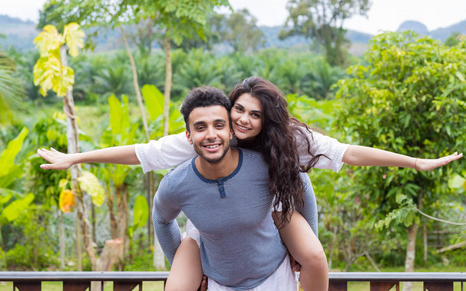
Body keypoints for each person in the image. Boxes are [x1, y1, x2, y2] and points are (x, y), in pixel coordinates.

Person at [38, 77, 463, 291]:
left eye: (252, 115)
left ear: (266, 120)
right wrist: (76, 157)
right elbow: (138, 153)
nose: (242, 121)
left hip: (271, 210)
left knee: (313, 256)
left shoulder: (285, 143)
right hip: (208, 220)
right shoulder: (203, 139)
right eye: (237, 109)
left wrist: (413, 162)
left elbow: (344, 156)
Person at [153, 86, 303, 290]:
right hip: (219, 282)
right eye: (200, 128)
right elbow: (161, 219)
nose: (211, 135)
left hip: (275, 276)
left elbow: (302, 187)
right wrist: (183, 267)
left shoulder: (265, 165)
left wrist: (302, 250)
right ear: (188, 136)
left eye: (219, 125)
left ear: (231, 131)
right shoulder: (176, 184)